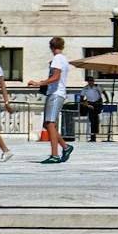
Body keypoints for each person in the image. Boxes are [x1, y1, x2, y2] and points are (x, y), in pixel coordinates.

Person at [31, 36, 72, 165]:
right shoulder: (63, 59)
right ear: (63, 46)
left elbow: (56, 77)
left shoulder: (57, 59)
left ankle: (55, 154)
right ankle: (65, 147)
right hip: (55, 93)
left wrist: (40, 83)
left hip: (56, 93)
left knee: (50, 123)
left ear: (51, 47)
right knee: (48, 124)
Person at [75, 78, 106, 144]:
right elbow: (81, 97)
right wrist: (84, 103)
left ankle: (94, 134)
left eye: (91, 81)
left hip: (97, 104)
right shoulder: (86, 88)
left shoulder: (97, 87)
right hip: (90, 104)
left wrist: (107, 100)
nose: (90, 82)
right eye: (89, 81)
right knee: (92, 120)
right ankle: (93, 136)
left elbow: (104, 92)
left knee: (95, 119)